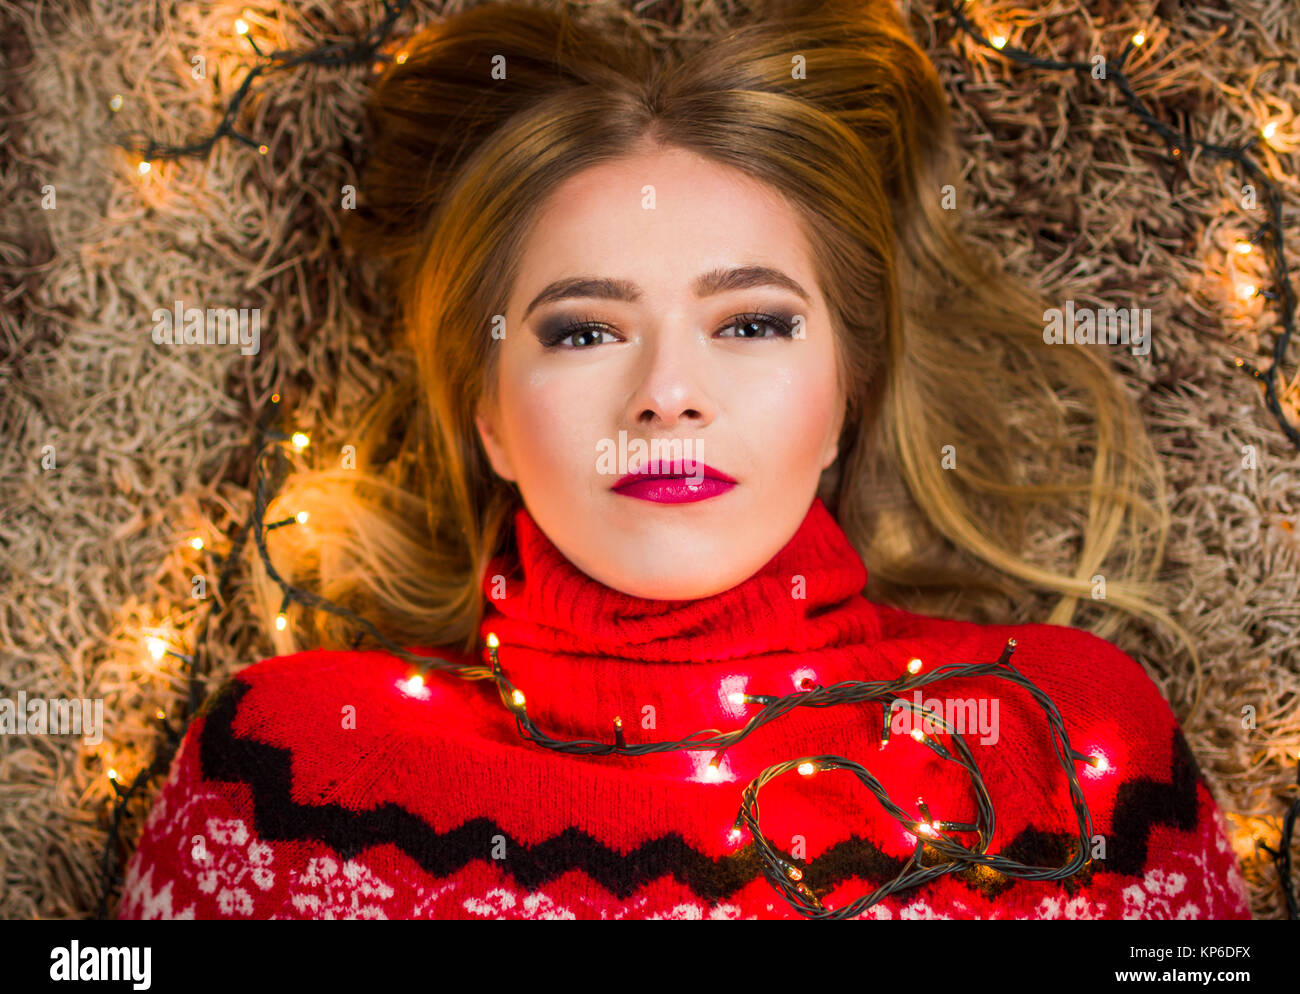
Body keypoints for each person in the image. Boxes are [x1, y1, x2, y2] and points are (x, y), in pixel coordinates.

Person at [116, 0, 1251, 919]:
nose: (666, 392)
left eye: (752, 322)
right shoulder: (289, 773)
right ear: (489, 414)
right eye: (582, 330)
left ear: (846, 396)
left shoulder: (1067, 742)